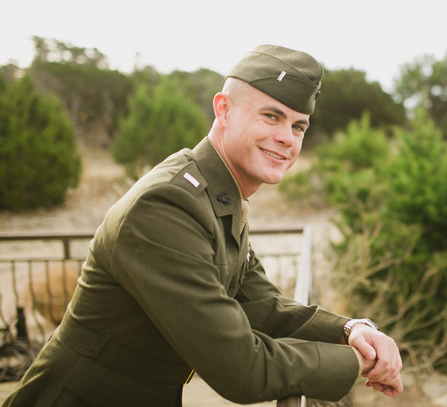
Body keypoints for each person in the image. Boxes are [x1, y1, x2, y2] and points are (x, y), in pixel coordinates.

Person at [3, 44, 403, 406]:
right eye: (271, 116)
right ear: (223, 110)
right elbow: (241, 369)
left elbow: (259, 304)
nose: (286, 138)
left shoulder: (219, 193)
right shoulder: (167, 206)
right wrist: (354, 363)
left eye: (298, 126)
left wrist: (349, 330)